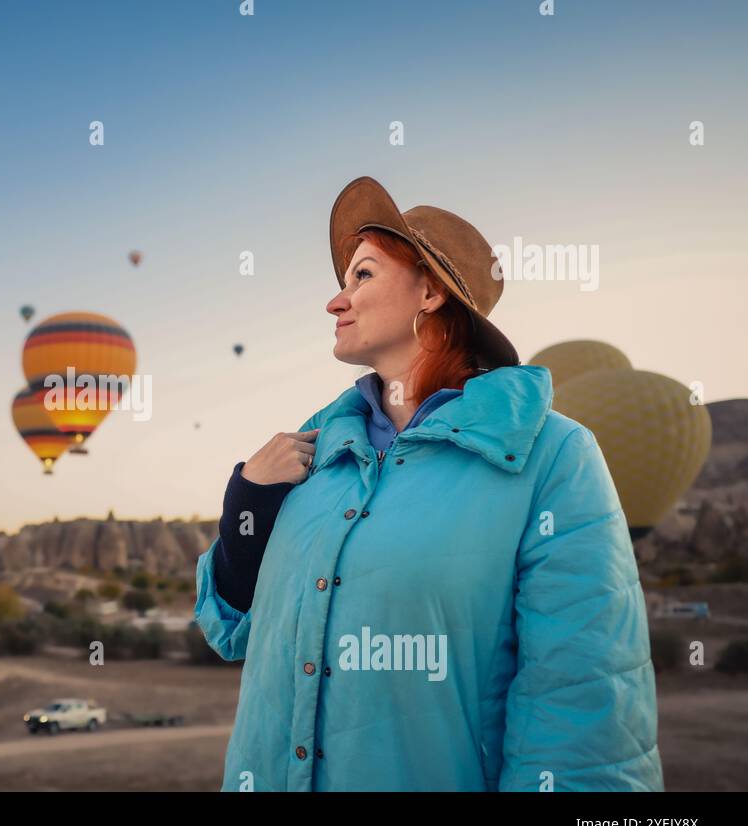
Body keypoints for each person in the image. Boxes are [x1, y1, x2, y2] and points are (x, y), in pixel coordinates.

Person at [194, 176, 662, 792]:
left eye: (362, 276)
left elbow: (583, 707)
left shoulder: (551, 456)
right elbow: (233, 633)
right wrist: (246, 508)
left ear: (432, 291)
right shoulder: (313, 456)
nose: (335, 303)